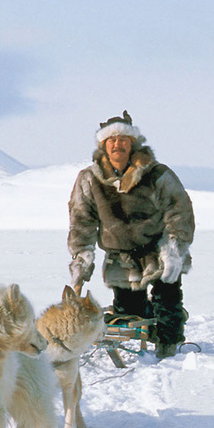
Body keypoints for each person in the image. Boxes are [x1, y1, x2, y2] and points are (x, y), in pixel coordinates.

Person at [67, 111, 195, 359]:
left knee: (166, 303)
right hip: (121, 255)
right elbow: (81, 220)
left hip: (157, 248)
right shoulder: (89, 179)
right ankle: (150, 321)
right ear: (104, 145)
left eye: (123, 139)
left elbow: (179, 210)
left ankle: (170, 343)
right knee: (131, 312)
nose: (118, 144)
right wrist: (82, 255)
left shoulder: (157, 174)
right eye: (111, 140)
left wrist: (174, 249)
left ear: (133, 143)